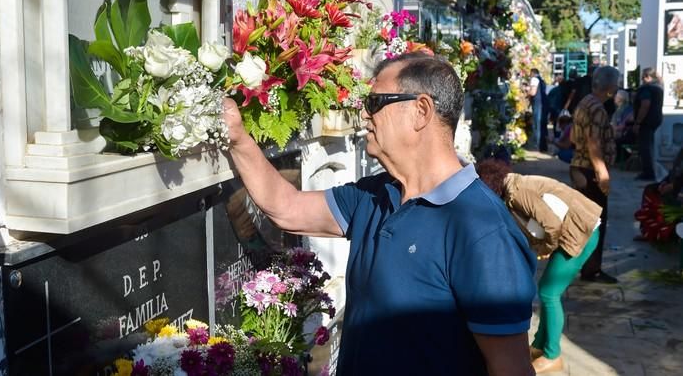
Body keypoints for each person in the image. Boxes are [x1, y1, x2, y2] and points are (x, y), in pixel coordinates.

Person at [221, 53, 537, 376]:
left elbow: (511, 367)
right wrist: (237, 136)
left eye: (374, 102)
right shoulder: (375, 194)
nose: (364, 115)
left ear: (421, 111)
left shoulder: (482, 231)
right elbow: (286, 207)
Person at [476, 159, 602, 374]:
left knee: (549, 293)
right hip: (578, 229)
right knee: (546, 291)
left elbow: (552, 225)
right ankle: (538, 346)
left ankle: (553, 355)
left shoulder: (518, 193)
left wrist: (545, 249)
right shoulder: (513, 185)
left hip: (582, 233)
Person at [569, 65, 620, 284]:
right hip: (590, 170)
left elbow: (573, 137)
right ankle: (592, 269)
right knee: (596, 221)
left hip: (580, 166)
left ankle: (585, 266)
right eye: (616, 84)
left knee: (586, 220)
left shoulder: (584, 103)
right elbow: (593, 142)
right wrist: (603, 174)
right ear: (610, 87)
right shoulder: (598, 109)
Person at [633, 67, 664, 181]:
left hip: (646, 121)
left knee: (645, 147)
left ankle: (648, 173)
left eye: (643, 76)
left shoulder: (647, 89)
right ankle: (649, 171)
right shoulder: (658, 88)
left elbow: (645, 105)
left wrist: (638, 122)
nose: (642, 79)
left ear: (647, 77)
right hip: (655, 119)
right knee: (649, 146)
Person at [527, 68, 549, 151]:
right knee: (542, 124)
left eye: (530, 73)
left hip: (537, 103)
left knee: (536, 124)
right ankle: (543, 145)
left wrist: (526, 91)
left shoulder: (534, 79)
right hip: (543, 104)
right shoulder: (542, 80)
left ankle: (537, 144)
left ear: (533, 73)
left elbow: (533, 92)